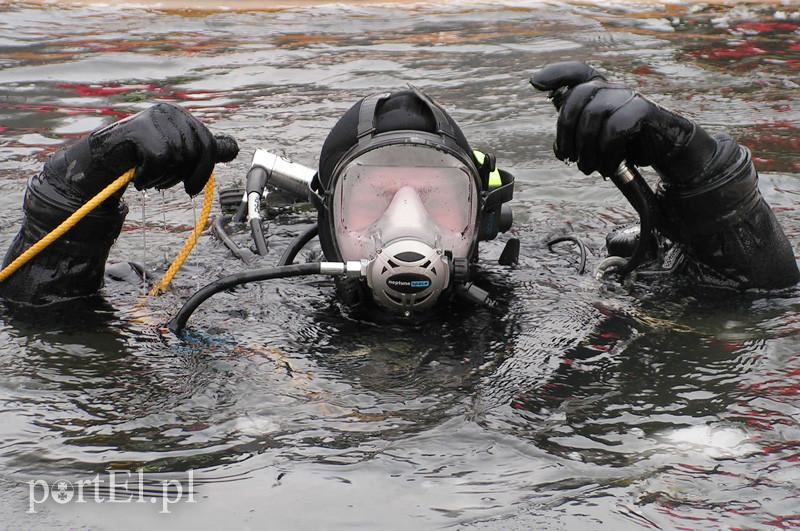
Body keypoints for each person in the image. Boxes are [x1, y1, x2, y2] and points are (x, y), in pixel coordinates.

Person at [0, 61, 796, 317]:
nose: (405, 219)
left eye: (436, 195)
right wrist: (85, 176)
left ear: (482, 215)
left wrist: (689, 159)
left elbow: (763, 294)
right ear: (326, 215)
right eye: (374, 197)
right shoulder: (248, 297)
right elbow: (41, 321)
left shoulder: (550, 283)